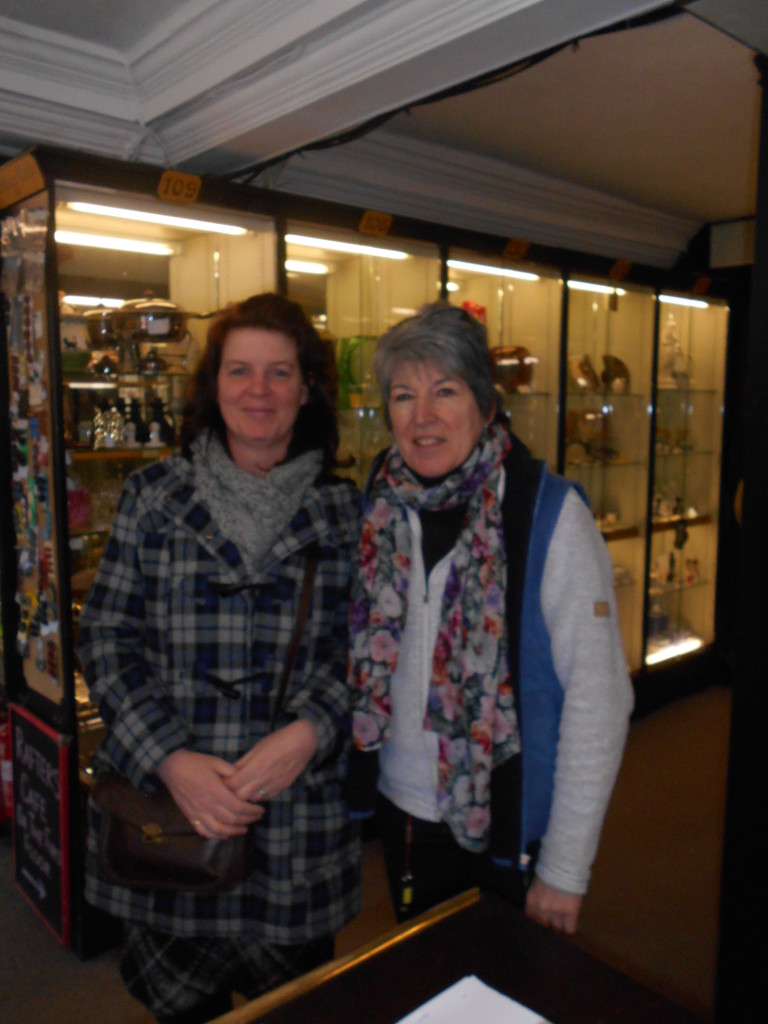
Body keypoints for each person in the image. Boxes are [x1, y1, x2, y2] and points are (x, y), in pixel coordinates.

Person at [77, 293, 361, 1024]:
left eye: (278, 372)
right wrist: (168, 756)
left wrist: (309, 734)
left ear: (307, 388)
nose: (258, 391)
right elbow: (106, 637)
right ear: (214, 384)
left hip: (294, 823)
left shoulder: (348, 513)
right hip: (172, 821)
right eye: (240, 371)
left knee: (298, 1009)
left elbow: (368, 650)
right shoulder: (150, 498)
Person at [348, 302, 633, 934]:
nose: (422, 417)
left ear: (484, 402)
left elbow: (600, 699)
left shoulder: (548, 515)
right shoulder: (380, 506)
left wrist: (565, 868)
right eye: (403, 395)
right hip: (404, 813)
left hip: (506, 823)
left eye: (444, 391)